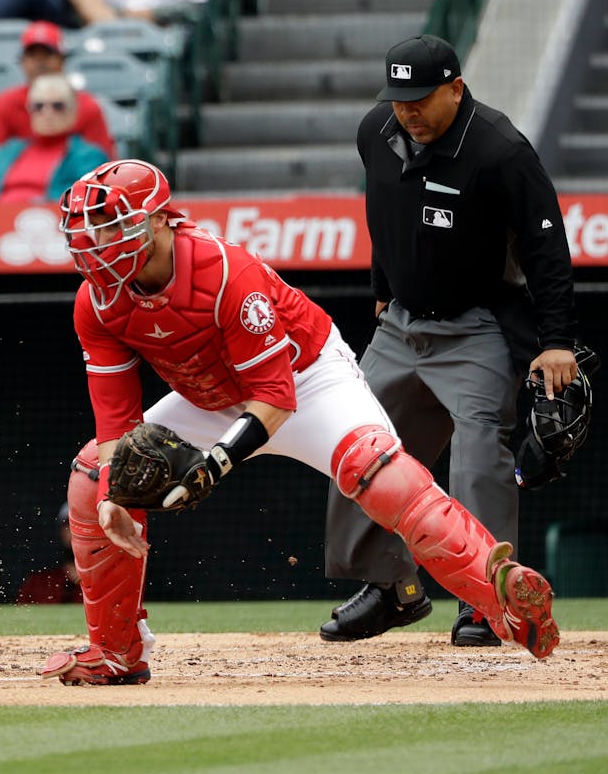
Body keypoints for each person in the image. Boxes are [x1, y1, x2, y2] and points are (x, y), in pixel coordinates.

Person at [39, 158, 559, 687]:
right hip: (208, 396)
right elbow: (116, 421)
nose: (96, 243)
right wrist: (111, 497)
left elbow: (274, 397)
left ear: (157, 220)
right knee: (89, 478)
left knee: (379, 472)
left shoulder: (224, 272)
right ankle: (115, 654)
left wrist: (214, 464)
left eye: (111, 226)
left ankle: (502, 596)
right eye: (88, 231)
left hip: (306, 381)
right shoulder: (96, 302)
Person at [319, 35, 582, 647]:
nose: (407, 110)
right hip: (402, 321)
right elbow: (381, 214)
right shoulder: (375, 131)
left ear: (456, 89)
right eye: (398, 97)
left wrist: (558, 340)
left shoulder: (499, 149)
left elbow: (547, 244)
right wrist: (382, 288)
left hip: (478, 324)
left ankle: (487, 600)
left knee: (478, 451)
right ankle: (391, 588)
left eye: (420, 98)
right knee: (357, 443)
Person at [0, 74, 110, 203]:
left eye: (57, 106)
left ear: (72, 113)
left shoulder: (88, 157)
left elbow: (89, 200)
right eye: (39, 106)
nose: (47, 112)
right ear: (30, 111)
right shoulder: (7, 151)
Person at [0, 21, 114, 157]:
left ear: (62, 60)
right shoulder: (7, 102)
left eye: (47, 54)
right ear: (22, 61)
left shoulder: (86, 106)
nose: (40, 62)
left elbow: (103, 165)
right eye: (32, 55)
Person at [17, 503, 81, 605]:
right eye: (71, 525)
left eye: (86, 527)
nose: (77, 532)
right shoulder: (38, 583)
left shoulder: (108, 583)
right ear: (61, 532)